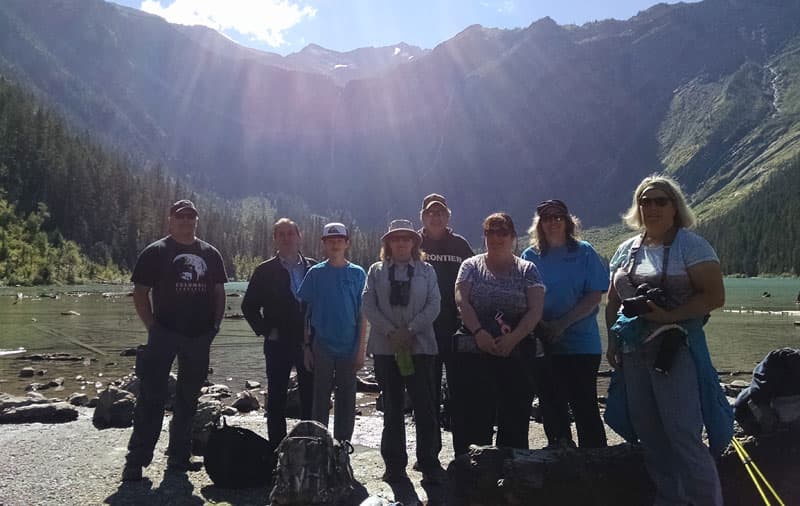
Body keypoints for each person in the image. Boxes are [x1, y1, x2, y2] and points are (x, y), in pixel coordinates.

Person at [605, 175, 730, 506]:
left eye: (661, 201)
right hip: (633, 351)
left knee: (683, 433)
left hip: (676, 350)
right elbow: (613, 301)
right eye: (645, 201)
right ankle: (669, 498)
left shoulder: (692, 246)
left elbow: (715, 296)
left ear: (675, 207)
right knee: (649, 433)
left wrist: (667, 316)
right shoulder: (625, 249)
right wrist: (612, 342)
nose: (652, 207)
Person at [122, 199, 227, 481]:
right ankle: (136, 461)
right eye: (180, 217)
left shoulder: (210, 254)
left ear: (196, 221)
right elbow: (140, 293)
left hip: (198, 337)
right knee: (150, 399)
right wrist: (153, 327)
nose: (186, 221)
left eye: (191, 217)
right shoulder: (156, 252)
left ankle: (179, 458)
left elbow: (219, 293)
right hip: (164, 335)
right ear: (170, 220)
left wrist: (214, 327)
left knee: (188, 401)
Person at [453, 213, 545, 451]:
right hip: (475, 351)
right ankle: (471, 474)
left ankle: (512, 475)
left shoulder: (528, 269)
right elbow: (462, 301)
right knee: (474, 417)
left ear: (513, 236)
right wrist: (478, 332)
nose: (496, 237)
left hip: (516, 352)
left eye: (502, 232)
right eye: (490, 232)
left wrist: (514, 338)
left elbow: (535, 310)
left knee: (515, 418)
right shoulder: (470, 266)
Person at [362, 219, 444, 484]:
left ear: (413, 242)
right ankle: (395, 466)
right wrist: (391, 332)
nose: (401, 243)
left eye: (406, 238)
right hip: (386, 350)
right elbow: (368, 305)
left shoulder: (427, 270)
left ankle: (429, 461)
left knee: (425, 405)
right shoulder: (375, 271)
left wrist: (410, 330)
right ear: (388, 243)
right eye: (395, 239)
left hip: (421, 347)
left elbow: (434, 305)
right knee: (392, 407)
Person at [521, 200, 608, 448]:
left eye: (558, 216)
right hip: (546, 343)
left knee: (585, 407)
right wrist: (544, 328)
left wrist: (562, 324)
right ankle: (560, 461)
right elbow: (525, 297)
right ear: (540, 224)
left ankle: (598, 465)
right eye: (547, 218)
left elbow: (594, 295)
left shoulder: (584, 251)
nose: (553, 222)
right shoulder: (530, 256)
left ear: (568, 221)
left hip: (583, 343)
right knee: (552, 406)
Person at [241, 218, 316, 443]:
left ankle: (309, 444)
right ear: (275, 238)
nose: (286, 238)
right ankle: (277, 450)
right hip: (278, 342)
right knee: (276, 398)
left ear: (299, 236)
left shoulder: (313, 267)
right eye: (280, 234)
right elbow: (249, 306)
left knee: (310, 396)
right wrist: (266, 331)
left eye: (290, 233)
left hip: (308, 343)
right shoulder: (265, 270)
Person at [297, 222, 367, 442]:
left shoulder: (358, 273)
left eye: (339, 240)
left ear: (347, 243)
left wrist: (361, 350)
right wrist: (306, 348)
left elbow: (363, 315)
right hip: (322, 346)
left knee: (347, 399)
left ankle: (342, 446)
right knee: (320, 398)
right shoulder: (315, 273)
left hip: (349, 346)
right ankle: (319, 443)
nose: (335, 244)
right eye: (330, 240)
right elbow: (305, 314)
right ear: (324, 244)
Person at [418, 194, 474, 442]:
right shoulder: (414, 243)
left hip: (456, 331)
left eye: (440, 212)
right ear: (423, 217)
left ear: (448, 216)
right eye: (431, 213)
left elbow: (475, 281)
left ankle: (464, 450)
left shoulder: (460, 245)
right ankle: (430, 454)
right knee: (427, 395)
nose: (435, 217)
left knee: (460, 392)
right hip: (423, 331)